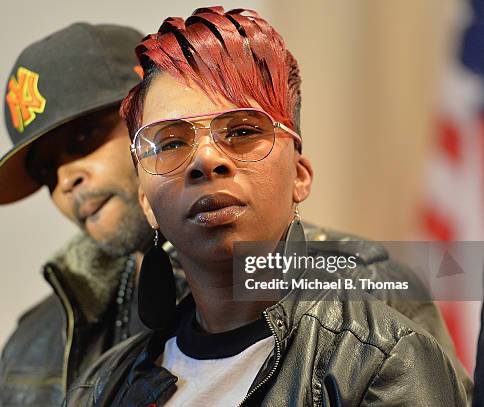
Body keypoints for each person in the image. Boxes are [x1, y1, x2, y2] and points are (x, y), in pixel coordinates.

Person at [66, 7, 469, 405]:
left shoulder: (384, 360)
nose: (206, 160)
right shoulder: (99, 389)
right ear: (147, 204)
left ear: (299, 176)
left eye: (242, 131)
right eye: (171, 143)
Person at [0, 23, 188, 406]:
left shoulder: (301, 279)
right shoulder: (30, 347)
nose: (64, 180)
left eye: (82, 138)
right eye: (46, 171)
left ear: (152, 118)